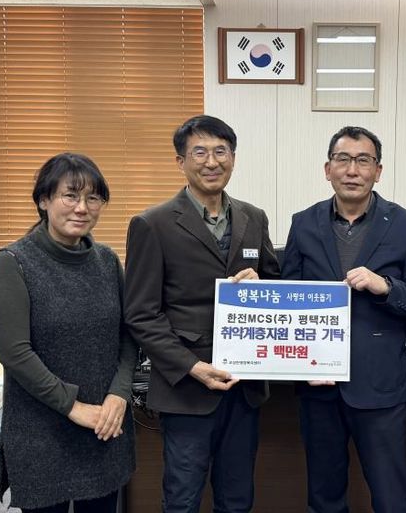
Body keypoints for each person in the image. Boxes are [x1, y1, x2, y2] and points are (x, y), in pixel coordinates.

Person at [124, 115, 280, 513]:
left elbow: (276, 289)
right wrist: (192, 367)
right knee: (182, 498)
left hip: (244, 387)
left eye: (221, 151)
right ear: (181, 162)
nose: (212, 162)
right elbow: (141, 313)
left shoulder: (254, 217)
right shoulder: (152, 224)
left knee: (237, 498)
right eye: (200, 152)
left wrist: (260, 281)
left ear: (233, 158)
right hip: (186, 389)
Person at [281, 126, 406, 512]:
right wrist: (298, 366)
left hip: (380, 385)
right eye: (343, 159)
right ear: (327, 169)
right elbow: (289, 300)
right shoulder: (303, 223)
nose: (352, 170)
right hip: (318, 385)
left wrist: (385, 286)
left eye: (363, 160)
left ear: (378, 171)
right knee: (324, 496)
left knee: (391, 496)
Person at [0, 153, 137, 513]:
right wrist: (72, 406)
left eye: (92, 198)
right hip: (41, 433)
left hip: (104, 427)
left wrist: (119, 395)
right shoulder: (14, 262)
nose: (82, 208)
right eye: (70, 195)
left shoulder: (107, 261)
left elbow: (128, 336)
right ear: (44, 200)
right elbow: (15, 354)